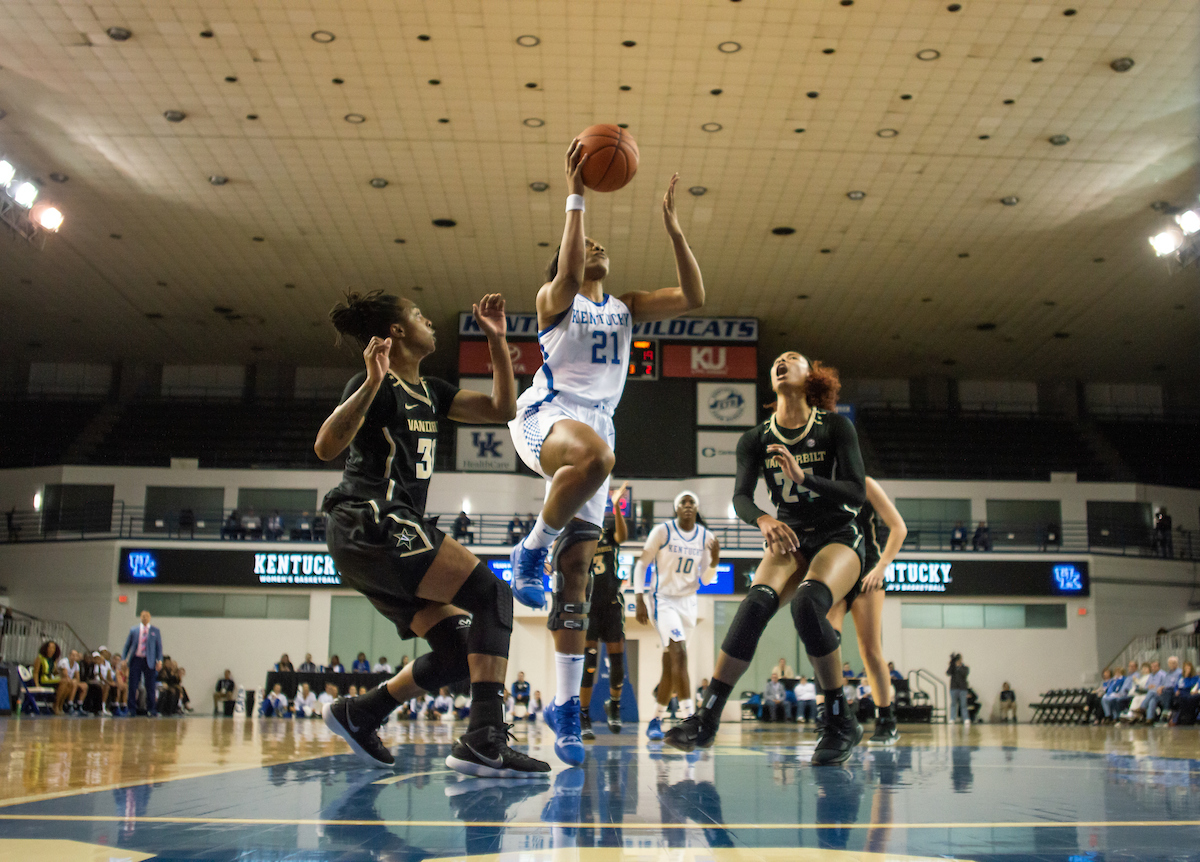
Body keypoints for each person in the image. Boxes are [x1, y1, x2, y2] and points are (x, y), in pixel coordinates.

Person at [504, 139, 704, 768]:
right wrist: (577, 194)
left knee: (577, 578)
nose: (594, 248)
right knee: (595, 462)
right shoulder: (552, 303)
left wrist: (674, 230)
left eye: (596, 244)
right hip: (547, 417)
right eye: (583, 245)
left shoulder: (624, 308)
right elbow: (565, 270)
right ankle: (527, 549)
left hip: (596, 431)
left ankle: (564, 709)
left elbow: (694, 296)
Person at [313, 287, 548, 778]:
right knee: (492, 594)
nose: (429, 321)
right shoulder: (373, 381)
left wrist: (498, 341)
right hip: (371, 518)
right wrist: (371, 383)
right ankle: (484, 740)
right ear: (397, 331)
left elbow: (503, 409)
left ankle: (362, 713)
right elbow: (326, 446)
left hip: (380, 535)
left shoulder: (434, 392)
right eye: (418, 315)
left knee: (463, 652)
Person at [666, 350, 867, 765]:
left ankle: (838, 718)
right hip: (789, 536)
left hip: (837, 534)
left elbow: (856, 493)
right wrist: (761, 520)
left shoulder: (835, 427)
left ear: (811, 376)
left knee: (809, 604)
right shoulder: (756, 438)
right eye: (778, 359)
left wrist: (803, 477)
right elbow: (741, 497)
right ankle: (707, 718)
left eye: (792, 358)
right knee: (754, 605)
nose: (782, 361)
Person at [826, 476, 907, 745]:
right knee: (826, 643)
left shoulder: (865, 484)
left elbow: (898, 528)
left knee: (870, 649)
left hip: (867, 572)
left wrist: (881, 567)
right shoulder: (815, 480)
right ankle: (834, 716)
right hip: (835, 572)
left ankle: (887, 720)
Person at [635, 491, 719, 739]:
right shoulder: (662, 531)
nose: (688, 505)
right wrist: (639, 597)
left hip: (688, 603)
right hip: (663, 600)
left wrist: (713, 562)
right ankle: (690, 720)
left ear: (697, 508)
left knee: (671, 667)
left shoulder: (706, 537)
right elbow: (642, 564)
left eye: (691, 502)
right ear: (676, 508)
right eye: (683, 502)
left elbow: (704, 579)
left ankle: (655, 719)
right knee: (680, 654)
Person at [579, 481, 630, 739]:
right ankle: (584, 715)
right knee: (589, 665)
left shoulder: (610, 533)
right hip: (589, 608)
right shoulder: (582, 535)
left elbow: (624, 537)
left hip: (611, 605)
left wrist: (617, 507)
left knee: (618, 666)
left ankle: (615, 706)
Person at [122, 609, 163, 716]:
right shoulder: (134, 630)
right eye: (143, 616)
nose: (145, 618)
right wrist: (124, 658)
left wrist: (159, 660)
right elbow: (127, 645)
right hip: (136, 659)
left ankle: (151, 709)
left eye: (147, 616)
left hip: (149, 660)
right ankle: (131, 709)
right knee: (133, 684)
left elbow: (159, 648)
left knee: (150, 686)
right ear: (140, 617)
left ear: (149, 618)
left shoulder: (155, 630)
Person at [1142, 656, 1181, 724]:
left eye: (1174, 663)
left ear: (1177, 663)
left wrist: (1160, 688)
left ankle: (1142, 707)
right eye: (1170, 663)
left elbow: (1176, 684)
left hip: (1171, 692)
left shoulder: (1179, 672)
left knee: (1152, 692)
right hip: (1162, 692)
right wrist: (1160, 688)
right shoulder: (1168, 673)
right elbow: (1164, 684)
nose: (1172, 664)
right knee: (1152, 701)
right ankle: (1149, 719)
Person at [947, 654, 970, 724]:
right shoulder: (953, 668)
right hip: (953, 688)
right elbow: (948, 673)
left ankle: (965, 718)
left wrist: (959, 667)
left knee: (963, 704)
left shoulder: (965, 668)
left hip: (962, 688)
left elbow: (964, 674)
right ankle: (952, 718)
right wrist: (951, 664)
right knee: (953, 703)